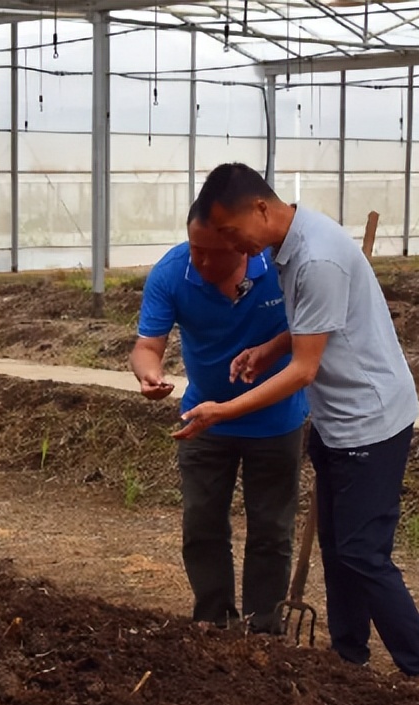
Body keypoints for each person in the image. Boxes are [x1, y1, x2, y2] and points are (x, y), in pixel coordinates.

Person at [175, 162, 419, 679]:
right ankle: (349, 659)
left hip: (371, 420)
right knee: (339, 549)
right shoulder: (290, 246)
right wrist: (267, 347)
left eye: (232, 233)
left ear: (260, 208)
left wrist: (223, 411)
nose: (233, 248)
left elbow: (304, 370)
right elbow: (310, 330)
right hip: (336, 422)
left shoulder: (317, 256)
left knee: (363, 552)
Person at [130, 204, 307, 633]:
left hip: (277, 421)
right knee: (203, 525)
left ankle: (262, 629)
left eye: (212, 252)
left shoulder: (281, 269)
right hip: (204, 421)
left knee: (271, 529)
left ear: (242, 246)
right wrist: (148, 371)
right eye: (195, 250)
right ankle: (214, 623)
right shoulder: (172, 273)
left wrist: (276, 349)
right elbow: (146, 345)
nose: (201, 261)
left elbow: (310, 332)